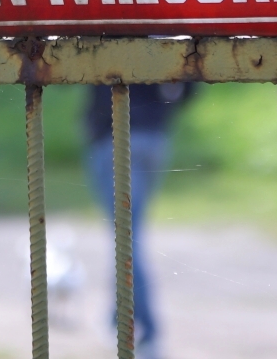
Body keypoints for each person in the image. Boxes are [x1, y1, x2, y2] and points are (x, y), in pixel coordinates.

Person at [83, 82, 193, 359]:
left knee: (126, 237)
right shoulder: (166, 36)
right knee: (129, 233)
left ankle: (144, 329)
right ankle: (117, 316)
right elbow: (188, 85)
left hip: (114, 138)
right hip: (154, 138)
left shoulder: (102, 36)